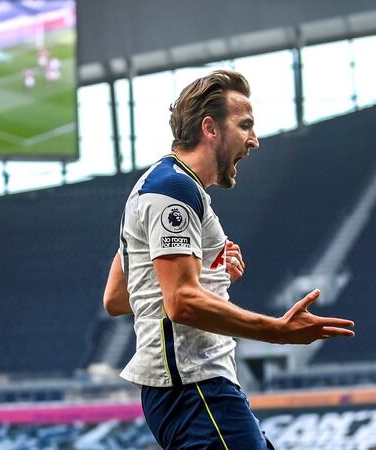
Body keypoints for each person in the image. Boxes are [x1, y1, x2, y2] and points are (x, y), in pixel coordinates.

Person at [102, 69, 355, 449]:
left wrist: (206, 275)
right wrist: (277, 331)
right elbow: (181, 303)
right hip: (194, 388)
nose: (254, 140)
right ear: (210, 128)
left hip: (191, 391)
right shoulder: (173, 189)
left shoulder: (155, 186)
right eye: (245, 125)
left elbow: (120, 298)